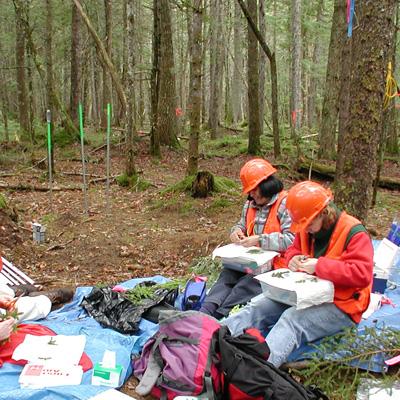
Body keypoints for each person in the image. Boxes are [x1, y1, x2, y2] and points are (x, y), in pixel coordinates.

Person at [222, 180, 374, 368]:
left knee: (292, 320)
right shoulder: (307, 227)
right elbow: (293, 249)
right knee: (258, 305)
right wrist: (293, 259)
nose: (305, 229)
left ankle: (258, 373)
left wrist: (319, 266)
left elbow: (361, 274)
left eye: (309, 224)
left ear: (324, 213)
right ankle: (214, 337)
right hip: (306, 294)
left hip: (343, 305)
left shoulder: (354, 232)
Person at [200, 158, 295, 318]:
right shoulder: (250, 204)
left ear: (266, 185)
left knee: (247, 284)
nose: (250, 194)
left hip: (274, 266)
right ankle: (205, 311)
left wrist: (259, 240)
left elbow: (291, 239)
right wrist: (235, 232)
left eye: (253, 189)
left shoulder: (285, 204)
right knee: (227, 276)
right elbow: (241, 225)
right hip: (247, 261)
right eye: (249, 191)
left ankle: (221, 317)